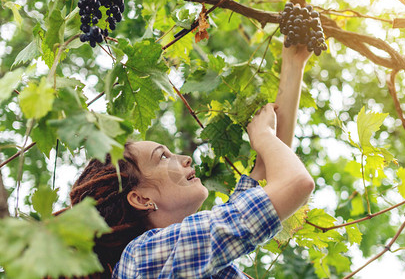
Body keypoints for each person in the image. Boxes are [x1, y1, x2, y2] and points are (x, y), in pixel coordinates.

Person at [68, 43, 315, 279]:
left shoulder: (179, 254)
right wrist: (262, 135)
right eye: (163, 156)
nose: (185, 159)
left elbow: (267, 170)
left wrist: (293, 63)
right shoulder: (142, 258)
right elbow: (294, 183)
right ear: (141, 198)